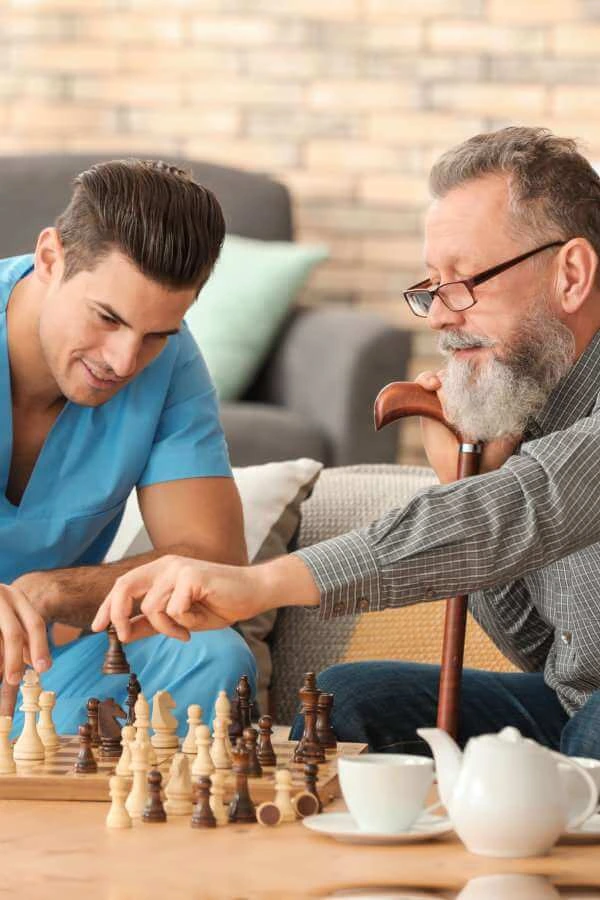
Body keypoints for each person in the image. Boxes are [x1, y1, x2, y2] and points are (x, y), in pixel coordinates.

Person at [92, 127, 600, 758]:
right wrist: (465, 483)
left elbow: (528, 505)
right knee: (348, 702)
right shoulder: (533, 401)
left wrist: (264, 584)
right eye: (432, 285)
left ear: (571, 275)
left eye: (465, 280)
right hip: (574, 708)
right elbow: (541, 653)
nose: (440, 314)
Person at [0, 158, 255, 735]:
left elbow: (209, 556)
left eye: (156, 335)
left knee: (213, 657)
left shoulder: (173, 361)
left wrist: (51, 591)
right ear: (50, 258)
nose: (123, 362)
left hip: (47, 666)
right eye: (106, 318)